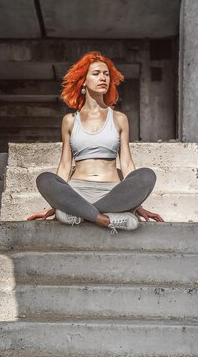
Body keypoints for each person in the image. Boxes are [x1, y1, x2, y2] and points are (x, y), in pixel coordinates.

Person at [27, 51, 164, 233]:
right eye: (96, 73)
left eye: (106, 74)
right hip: (77, 193)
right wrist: (56, 202)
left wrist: (137, 204)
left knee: (147, 175)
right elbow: (65, 165)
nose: (103, 78)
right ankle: (103, 219)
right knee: (44, 179)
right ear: (83, 80)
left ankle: (79, 215)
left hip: (112, 193)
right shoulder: (70, 120)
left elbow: (127, 163)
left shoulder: (119, 118)